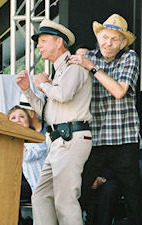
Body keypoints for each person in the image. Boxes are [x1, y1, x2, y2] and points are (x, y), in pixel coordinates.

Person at [16, 18, 92, 225]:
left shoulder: (74, 65)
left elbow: (64, 94)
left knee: (65, 201)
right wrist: (27, 90)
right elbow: (47, 113)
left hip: (71, 138)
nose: (38, 46)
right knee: (40, 196)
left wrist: (43, 86)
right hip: (58, 140)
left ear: (59, 42)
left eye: (43, 40)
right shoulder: (57, 71)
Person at [69, 14, 142, 225]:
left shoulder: (130, 57)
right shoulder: (89, 56)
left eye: (114, 39)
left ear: (123, 43)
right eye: (104, 37)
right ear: (98, 36)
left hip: (124, 140)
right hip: (94, 140)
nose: (108, 43)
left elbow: (119, 91)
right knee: (78, 191)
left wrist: (92, 68)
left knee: (134, 197)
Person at [7, 105, 47, 224]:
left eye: (21, 117)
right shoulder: (4, 142)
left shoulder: (38, 140)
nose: (17, 120)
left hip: (35, 186)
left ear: (29, 121)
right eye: (13, 118)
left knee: (9, 188)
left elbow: (29, 155)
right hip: (12, 184)